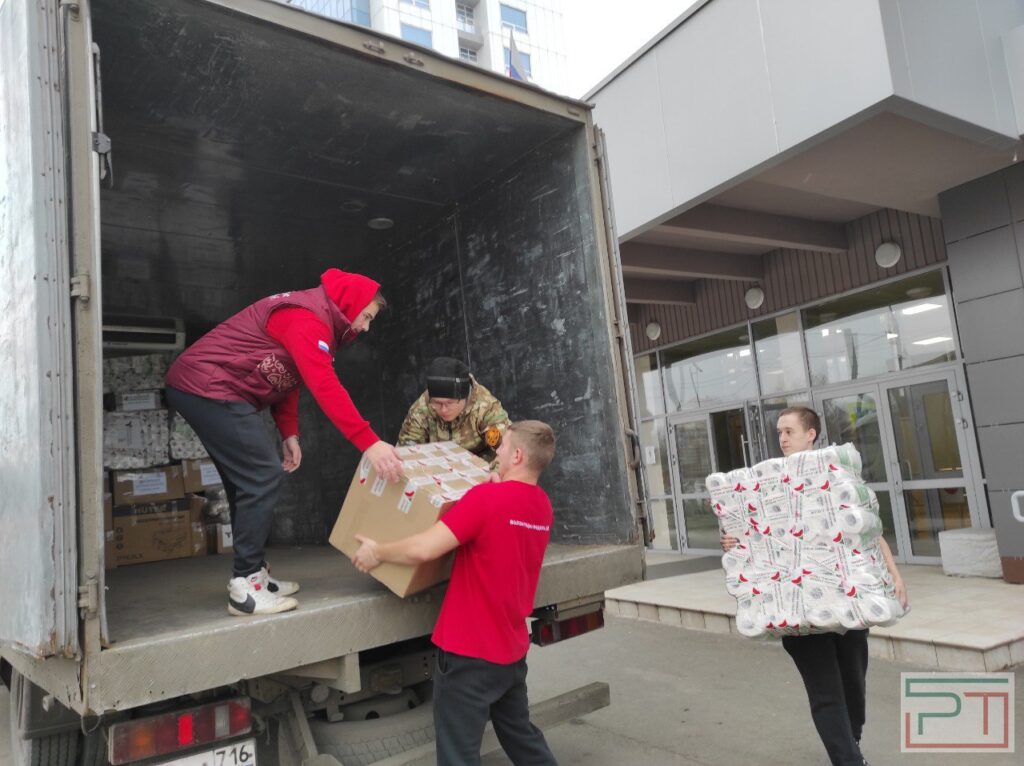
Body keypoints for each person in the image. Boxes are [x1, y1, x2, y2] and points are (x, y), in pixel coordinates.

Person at [165, 268, 404, 617]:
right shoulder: (307, 319)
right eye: (366, 317)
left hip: (215, 390)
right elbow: (324, 385)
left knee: (247, 480)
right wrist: (370, 443)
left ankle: (254, 574)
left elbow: (290, 377)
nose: (366, 327)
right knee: (262, 475)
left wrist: (289, 432)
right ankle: (245, 586)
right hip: (207, 386)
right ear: (349, 305)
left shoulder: (317, 319)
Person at [352, 421, 559, 766]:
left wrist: (379, 552)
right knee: (522, 739)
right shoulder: (541, 505)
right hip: (510, 652)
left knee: (457, 756)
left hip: (468, 655)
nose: (497, 452)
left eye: (503, 446)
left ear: (518, 456)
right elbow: (506, 523)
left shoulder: (485, 499)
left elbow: (425, 548)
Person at [721, 406, 908, 766]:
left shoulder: (835, 475)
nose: (782, 438)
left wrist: (895, 576)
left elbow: (867, 531)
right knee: (826, 692)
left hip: (847, 601)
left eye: (789, 431)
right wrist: (731, 541)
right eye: (779, 432)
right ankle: (849, 760)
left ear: (811, 435)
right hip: (797, 609)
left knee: (853, 685)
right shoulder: (768, 483)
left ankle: (851, 743)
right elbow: (745, 532)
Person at [397, 357, 511, 465]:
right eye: (437, 403)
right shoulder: (422, 408)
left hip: (481, 465)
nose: (443, 409)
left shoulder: (486, 408)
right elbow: (406, 451)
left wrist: (494, 472)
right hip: (438, 467)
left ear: (465, 397)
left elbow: (508, 450)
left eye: (450, 403)